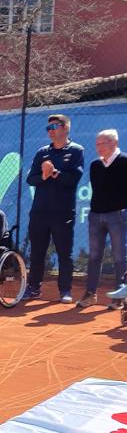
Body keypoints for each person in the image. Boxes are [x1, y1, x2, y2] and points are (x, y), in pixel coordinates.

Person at [22, 113, 84, 303]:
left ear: (65, 128)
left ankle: (65, 291)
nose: (50, 131)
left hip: (63, 212)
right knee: (37, 252)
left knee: (65, 253)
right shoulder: (42, 152)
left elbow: (74, 179)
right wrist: (44, 176)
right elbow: (31, 179)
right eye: (48, 128)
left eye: (54, 127)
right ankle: (33, 288)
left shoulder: (76, 151)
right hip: (40, 212)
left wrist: (54, 172)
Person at [77, 129, 127, 310]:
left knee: (120, 257)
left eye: (102, 143)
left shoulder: (124, 161)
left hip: (118, 216)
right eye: (97, 144)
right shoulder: (95, 165)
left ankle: (119, 297)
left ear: (114, 143)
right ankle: (91, 294)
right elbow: (99, 190)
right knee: (94, 256)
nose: (98, 147)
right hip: (95, 216)